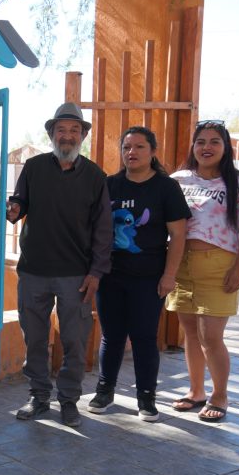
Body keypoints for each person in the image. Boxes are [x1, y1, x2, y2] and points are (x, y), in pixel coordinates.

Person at [6, 102, 112, 428]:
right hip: (33, 271)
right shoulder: (33, 167)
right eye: (61, 130)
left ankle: (68, 401)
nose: (67, 136)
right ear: (52, 134)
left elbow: (104, 230)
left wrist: (96, 273)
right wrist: (13, 209)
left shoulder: (95, 176)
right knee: (35, 340)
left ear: (82, 136)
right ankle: (39, 397)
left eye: (74, 130)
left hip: (76, 276)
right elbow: (19, 203)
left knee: (75, 343)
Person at [86, 127, 190, 422]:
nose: (132, 152)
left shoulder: (166, 188)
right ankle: (104, 390)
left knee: (144, 337)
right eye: (127, 147)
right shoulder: (110, 185)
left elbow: (178, 236)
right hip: (110, 276)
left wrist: (169, 276)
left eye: (139, 147)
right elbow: (93, 229)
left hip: (148, 277)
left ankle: (146, 397)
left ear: (152, 152)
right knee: (111, 336)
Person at [166, 120, 239, 422]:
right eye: (201, 142)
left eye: (214, 142)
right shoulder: (178, 180)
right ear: (193, 146)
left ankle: (220, 395)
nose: (206, 147)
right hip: (181, 265)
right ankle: (196, 391)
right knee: (190, 333)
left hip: (219, 267)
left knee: (211, 337)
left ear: (225, 147)